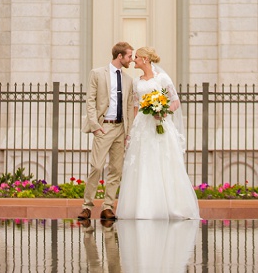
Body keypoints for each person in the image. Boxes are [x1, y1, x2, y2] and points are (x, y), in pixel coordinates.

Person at [115, 46, 199, 219]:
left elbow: (175, 101)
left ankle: (170, 206)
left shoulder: (162, 78)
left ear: (145, 59)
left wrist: (163, 110)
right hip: (142, 127)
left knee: (162, 162)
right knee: (143, 163)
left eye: (136, 57)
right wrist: (131, 132)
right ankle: (142, 208)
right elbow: (136, 108)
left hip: (160, 124)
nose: (134, 60)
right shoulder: (136, 82)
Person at [80, 42, 138, 223]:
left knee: (116, 169)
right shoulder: (97, 74)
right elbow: (90, 101)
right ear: (120, 56)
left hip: (120, 128)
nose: (131, 59)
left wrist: (128, 132)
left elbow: (129, 107)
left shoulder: (129, 80)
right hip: (104, 126)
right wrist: (95, 125)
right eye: (129, 56)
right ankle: (87, 206)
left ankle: (107, 207)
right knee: (97, 167)